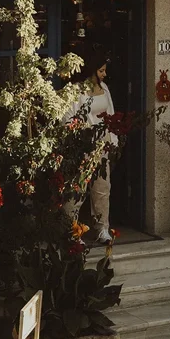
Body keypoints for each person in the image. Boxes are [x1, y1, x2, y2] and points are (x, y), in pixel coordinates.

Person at [69, 47, 118, 244]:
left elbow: (111, 115)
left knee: (102, 187)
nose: (104, 74)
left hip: (102, 144)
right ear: (91, 70)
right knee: (78, 189)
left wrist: (112, 140)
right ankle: (73, 231)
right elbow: (70, 118)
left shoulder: (104, 89)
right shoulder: (77, 91)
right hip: (83, 144)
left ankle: (102, 228)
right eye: (101, 70)